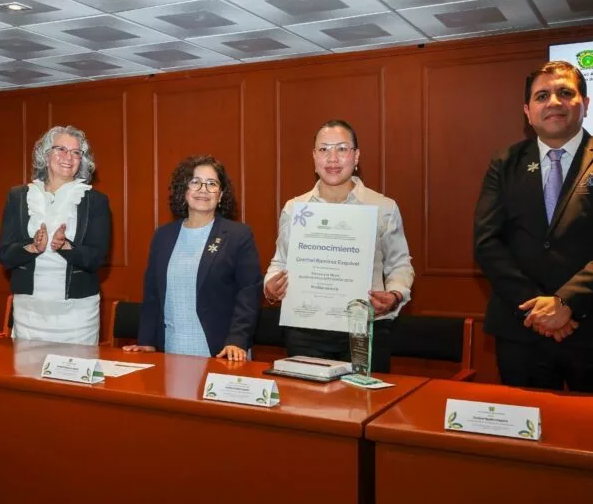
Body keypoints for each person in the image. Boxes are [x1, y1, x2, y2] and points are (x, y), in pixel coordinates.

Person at [474, 60, 593, 396]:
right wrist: (538, 308)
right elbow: (487, 243)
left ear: (584, 104)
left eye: (565, 92)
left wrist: (566, 302)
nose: (553, 102)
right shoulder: (504, 163)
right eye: (542, 96)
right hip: (522, 331)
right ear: (528, 112)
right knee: (525, 442)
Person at [263, 119, 415, 373]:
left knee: (364, 407)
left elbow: (399, 264)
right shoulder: (295, 208)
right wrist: (270, 286)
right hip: (306, 328)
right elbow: (280, 260)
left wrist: (395, 295)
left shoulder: (383, 207)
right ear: (314, 157)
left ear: (356, 156)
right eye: (323, 149)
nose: (332, 158)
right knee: (306, 404)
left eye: (342, 149)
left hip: (366, 329)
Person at [124, 155, 262, 361]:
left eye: (212, 184)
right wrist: (146, 342)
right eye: (195, 182)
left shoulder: (237, 236)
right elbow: (152, 294)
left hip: (223, 352)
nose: (203, 190)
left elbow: (248, 294)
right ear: (184, 190)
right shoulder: (163, 236)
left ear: (221, 194)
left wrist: (237, 340)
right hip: (171, 350)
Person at [0, 126, 111, 345]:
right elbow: (5, 255)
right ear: (46, 155)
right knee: (26, 377)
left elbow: (97, 259)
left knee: (74, 376)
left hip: (77, 315)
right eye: (61, 149)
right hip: (29, 312)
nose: (69, 157)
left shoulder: (95, 200)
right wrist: (32, 248)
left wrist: (66, 247)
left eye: (76, 152)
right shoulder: (18, 197)